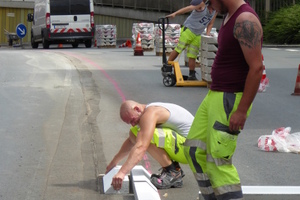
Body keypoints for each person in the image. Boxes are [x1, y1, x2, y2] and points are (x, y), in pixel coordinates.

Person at [183, 0, 263, 199]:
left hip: (230, 98)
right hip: (215, 95)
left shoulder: (245, 20)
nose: (210, 5)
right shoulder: (229, 16)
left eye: (210, 1)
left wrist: (242, 110)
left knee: (218, 160)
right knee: (193, 150)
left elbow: (257, 68)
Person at [105, 100, 194, 190]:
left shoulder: (151, 113)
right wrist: (113, 163)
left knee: (146, 137)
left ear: (137, 109)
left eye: (132, 120)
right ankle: (175, 169)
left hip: (191, 150)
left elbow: (141, 147)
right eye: (130, 123)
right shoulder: (150, 109)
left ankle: (172, 172)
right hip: (188, 147)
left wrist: (122, 173)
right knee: (135, 133)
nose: (133, 124)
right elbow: (131, 141)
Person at [166, 0, 217, 80]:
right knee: (179, 48)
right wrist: (175, 13)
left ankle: (192, 74)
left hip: (198, 34)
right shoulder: (202, 5)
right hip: (189, 29)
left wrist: (208, 33)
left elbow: (210, 23)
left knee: (193, 54)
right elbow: (188, 8)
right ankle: (167, 66)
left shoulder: (215, 11)